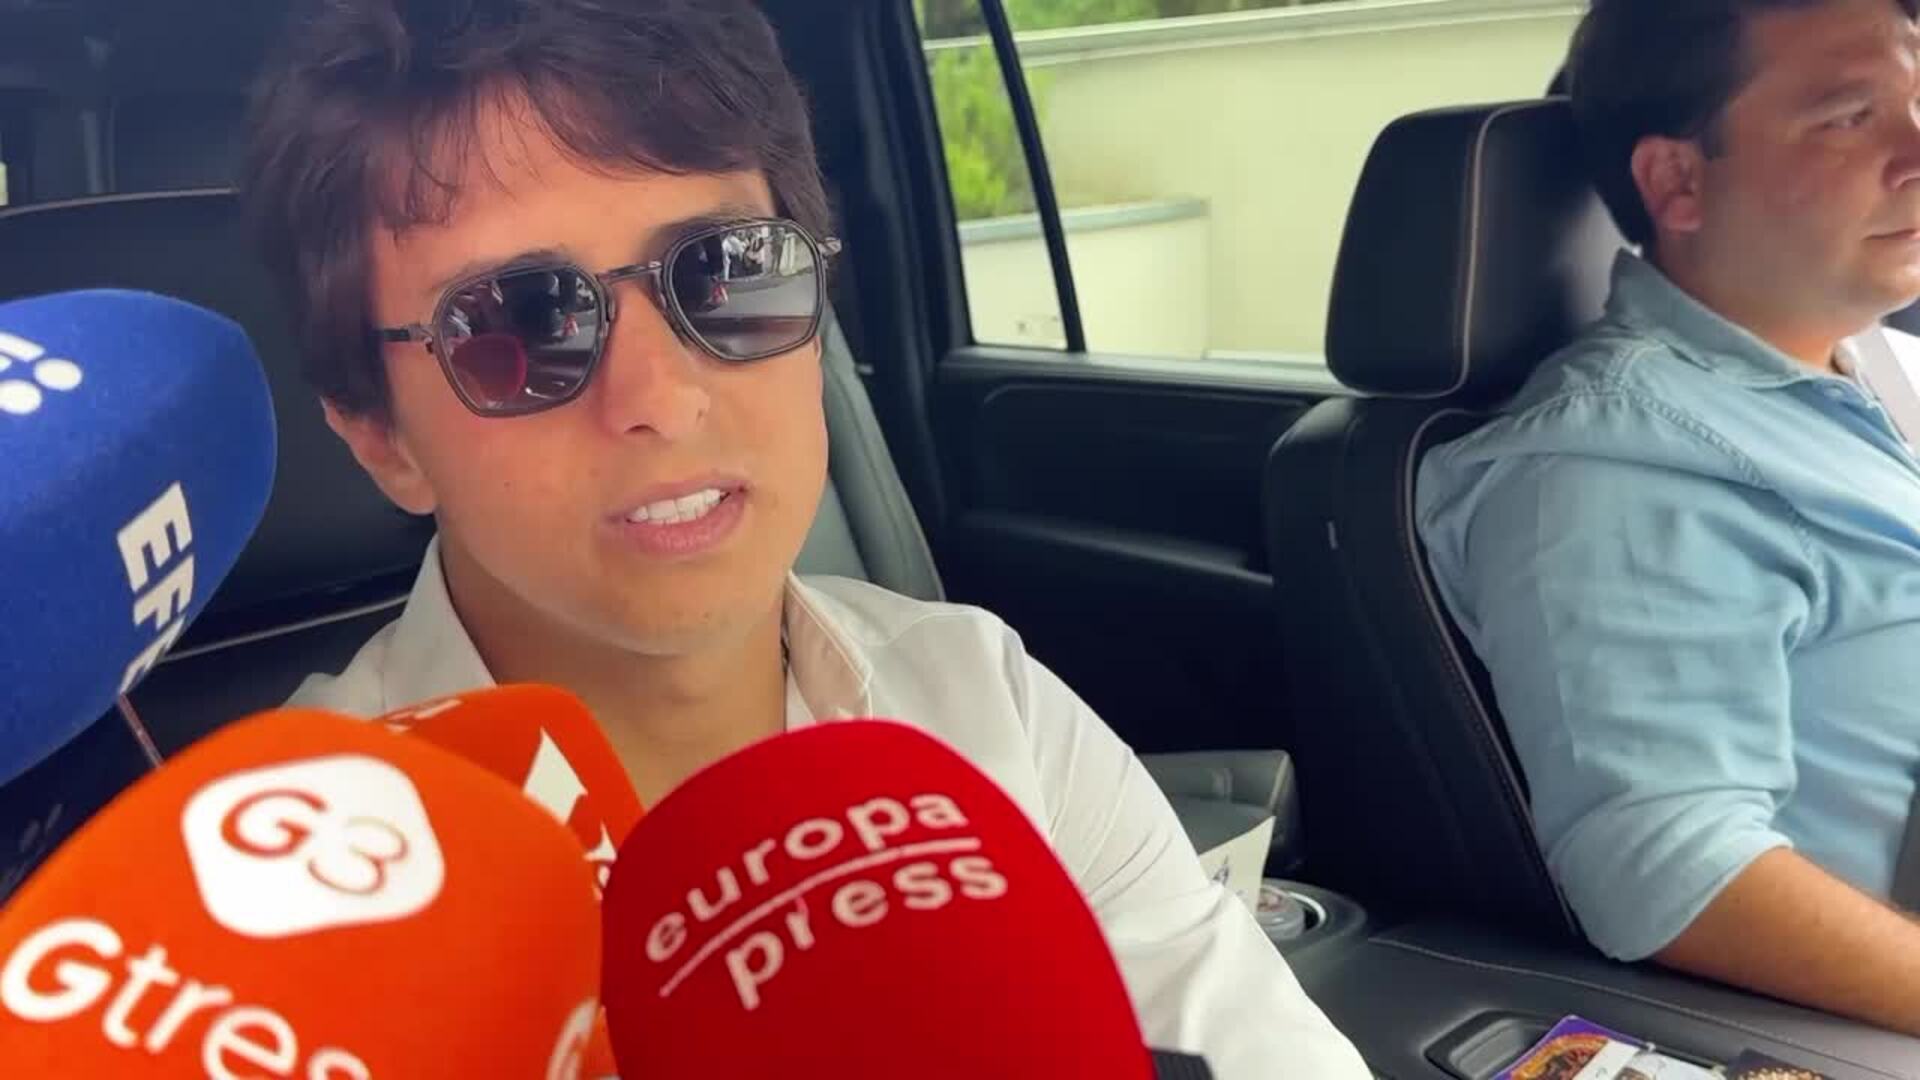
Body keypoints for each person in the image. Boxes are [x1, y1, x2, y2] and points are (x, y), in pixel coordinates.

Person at [240, 1, 1368, 1074]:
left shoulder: (978, 703)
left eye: (729, 272)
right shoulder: (270, 914)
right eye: (520, 325)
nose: (663, 397)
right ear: (380, 436)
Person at [1418, 0, 1920, 1034]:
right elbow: (1671, 868)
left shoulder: (1876, 360)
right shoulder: (1607, 466)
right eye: (1849, 117)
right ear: (1679, 182)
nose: (1917, 151)